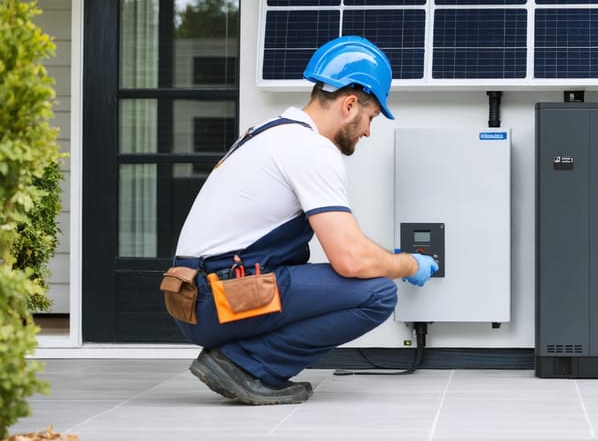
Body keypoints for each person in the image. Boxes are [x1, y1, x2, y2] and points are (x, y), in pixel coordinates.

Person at [170, 36, 439, 405]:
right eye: (371, 117)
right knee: (377, 293)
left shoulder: (269, 132)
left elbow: (351, 245)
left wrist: (386, 259)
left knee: (363, 275)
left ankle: (242, 357)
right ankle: (244, 365)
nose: (368, 132)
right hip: (219, 298)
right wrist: (407, 264)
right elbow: (350, 259)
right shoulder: (310, 149)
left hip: (194, 295)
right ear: (349, 105)